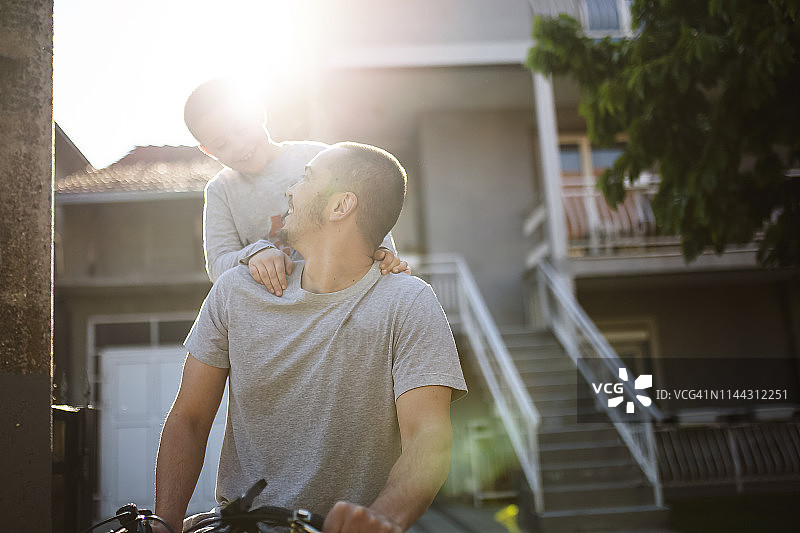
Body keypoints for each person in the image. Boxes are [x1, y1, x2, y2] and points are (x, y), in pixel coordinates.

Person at [154, 142, 467, 533]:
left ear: (340, 206)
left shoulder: (408, 302)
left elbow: (428, 436)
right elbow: (190, 418)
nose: (288, 190)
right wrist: (164, 524)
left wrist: (384, 517)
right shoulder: (235, 291)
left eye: (305, 178)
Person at [184, 79, 409, 296]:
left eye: (241, 128)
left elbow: (363, 207)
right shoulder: (221, 190)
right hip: (276, 308)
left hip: (338, 294)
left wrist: (385, 251)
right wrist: (253, 254)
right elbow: (216, 265)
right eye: (222, 145)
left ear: (258, 113)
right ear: (208, 151)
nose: (239, 145)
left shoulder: (318, 157)